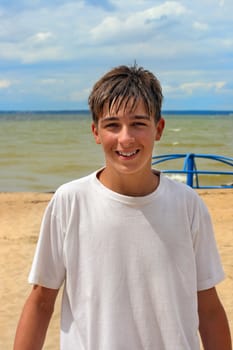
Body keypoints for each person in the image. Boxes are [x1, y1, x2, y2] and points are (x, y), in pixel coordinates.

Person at [14, 64, 231, 350]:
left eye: (139, 123)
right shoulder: (70, 201)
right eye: (112, 125)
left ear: (159, 129)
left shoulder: (187, 204)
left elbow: (208, 306)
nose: (125, 138)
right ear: (96, 132)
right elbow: (41, 301)